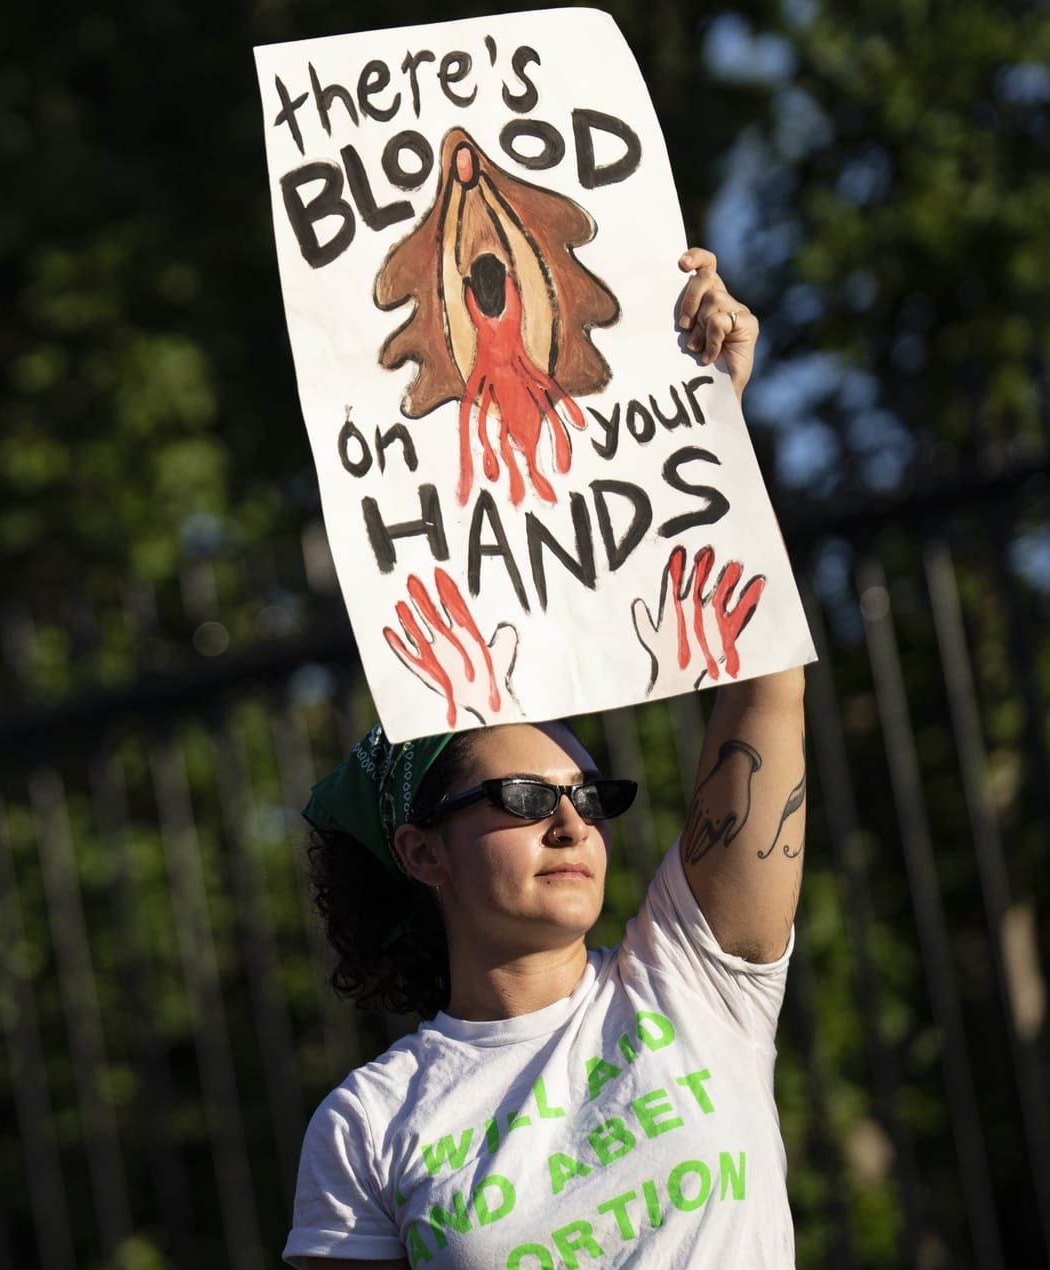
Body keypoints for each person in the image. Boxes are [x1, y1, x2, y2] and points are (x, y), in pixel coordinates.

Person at [286, 250, 806, 1268]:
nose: (571, 823)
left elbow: (765, 686)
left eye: (588, 794)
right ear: (420, 850)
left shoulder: (688, 982)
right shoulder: (367, 1123)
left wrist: (708, 428)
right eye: (523, 797)